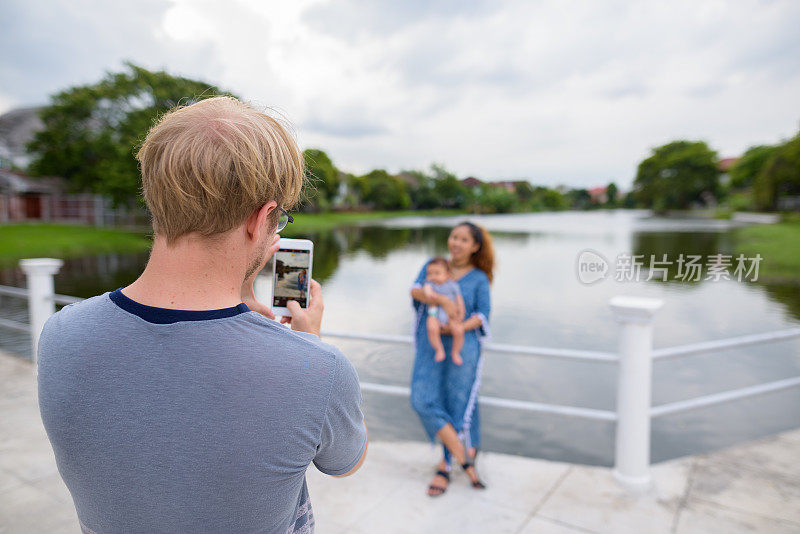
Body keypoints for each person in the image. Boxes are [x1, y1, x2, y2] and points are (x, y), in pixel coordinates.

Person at [37, 96, 368, 534]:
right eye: (280, 219)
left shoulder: (61, 333)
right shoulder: (317, 369)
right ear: (262, 218)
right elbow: (346, 463)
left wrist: (239, 304)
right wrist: (307, 344)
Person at [409, 222, 494, 497]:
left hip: (462, 345)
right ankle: (465, 459)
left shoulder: (479, 278)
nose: (456, 243)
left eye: (464, 240)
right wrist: (444, 304)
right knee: (421, 399)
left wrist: (456, 325)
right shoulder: (434, 265)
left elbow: (483, 314)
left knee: (457, 401)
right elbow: (415, 290)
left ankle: (445, 465)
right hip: (430, 345)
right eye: (454, 237)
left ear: (475, 247)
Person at [422, 257, 465, 365]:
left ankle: (455, 352)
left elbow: (459, 301)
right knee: (431, 327)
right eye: (429, 273)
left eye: (437, 273)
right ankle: (439, 349)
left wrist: (460, 315)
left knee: (459, 330)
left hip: (451, 314)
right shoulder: (430, 284)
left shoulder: (453, 286)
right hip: (435, 313)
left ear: (447, 274)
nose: (433, 277)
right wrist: (428, 291)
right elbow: (426, 291)